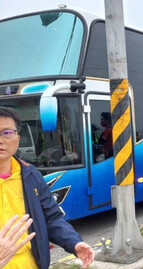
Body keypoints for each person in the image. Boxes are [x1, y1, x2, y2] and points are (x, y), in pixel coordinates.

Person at [0, 107, 93, 269]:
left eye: (7, 133)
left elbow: (51, 217)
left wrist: (74, 243)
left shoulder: (30, 175)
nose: (1, 139)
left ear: (18, 138)